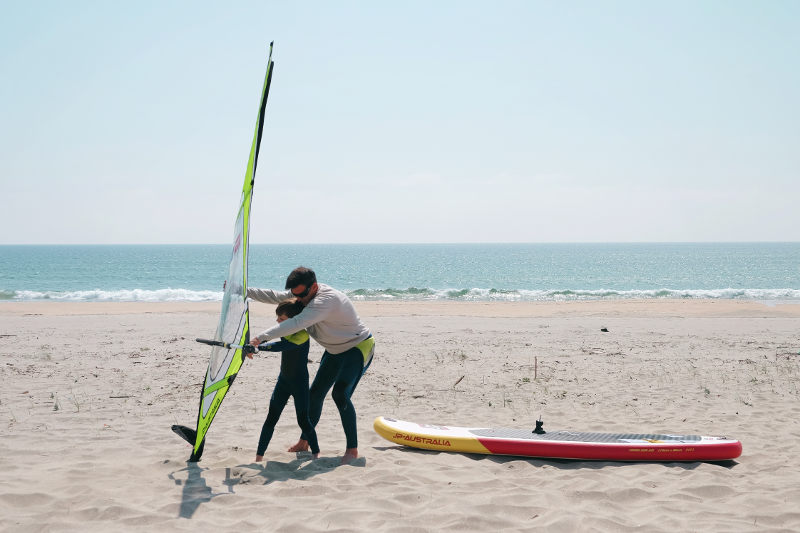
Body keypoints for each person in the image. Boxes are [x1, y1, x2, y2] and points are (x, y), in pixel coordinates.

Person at [248, 266, 374, 464]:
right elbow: (276, 296)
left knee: (340, 394)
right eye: (295, 295)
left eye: (301, 295)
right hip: (334, 350)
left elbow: (295, 323)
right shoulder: (303, 293)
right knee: (314, 394)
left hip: (358, 347)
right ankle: (304, 442)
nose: (298, 300)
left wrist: (259, 338)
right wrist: (243, 290)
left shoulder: (325, 301)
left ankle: (352, 449)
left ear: (313, 287)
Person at [248, 298, 320, 462]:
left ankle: (316, 454)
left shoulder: (301, 334)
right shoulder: (284, 330)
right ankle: (259, 457)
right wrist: (253, 344)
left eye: (281, 319)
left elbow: (281, 347)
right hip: (283, 381)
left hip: (299, 383)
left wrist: (259, 347)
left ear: (294, 321)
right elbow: (269, 336)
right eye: (277, 318)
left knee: (304, 421)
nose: (277, 322)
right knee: (271, 418)